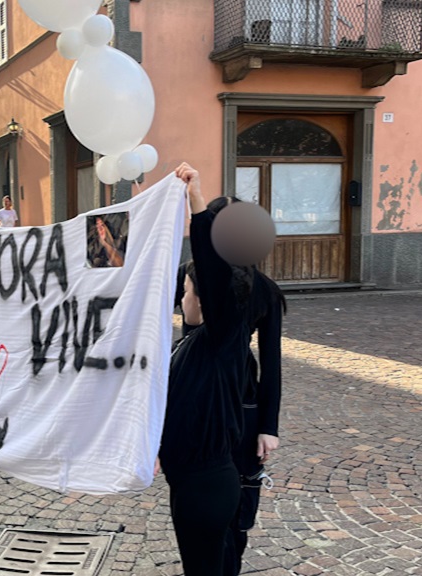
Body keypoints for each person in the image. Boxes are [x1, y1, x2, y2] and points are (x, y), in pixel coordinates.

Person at [158, 163, 252, 575]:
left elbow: (213, 273)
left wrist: (196, 203)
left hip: (207, 485)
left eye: (188, 290)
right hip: (187, 482)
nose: (183, 297)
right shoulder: (193, 342)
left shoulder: (224, 338)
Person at [222, 267, 285, 575]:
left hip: (243, 403)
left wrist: (268, 427)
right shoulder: (188, 274)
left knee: (239, 498)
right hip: (195, 395)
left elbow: (272, 360)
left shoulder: (264, 289)